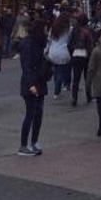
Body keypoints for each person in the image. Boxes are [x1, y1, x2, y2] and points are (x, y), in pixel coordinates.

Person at [17, 18, 48, 156]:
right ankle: (24, 145)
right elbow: (27, 66)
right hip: (32, 83)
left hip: (39, 81)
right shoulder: (30, 44)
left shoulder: (38, 43)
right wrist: (31, 85)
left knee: (38, 113)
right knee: (31, 113)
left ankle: (34, 142)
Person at [68, 14, 94, 105]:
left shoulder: (74, 30)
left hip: (76, 54)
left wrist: (73, 51)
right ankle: (89, 96)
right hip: (86, 55)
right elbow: (91, 43)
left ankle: (74, 98)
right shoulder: (88, 30)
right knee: (87, 77)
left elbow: (69, 43)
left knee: (76, 78)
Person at [46, 13, 72, 98]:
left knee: (56, 71)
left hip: (53, 52)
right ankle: (57, 91)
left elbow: (49, 41)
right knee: (61, 72)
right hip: (62, 52)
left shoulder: (52, 29)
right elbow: (69, 41)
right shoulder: (68, 29)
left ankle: (57, 90)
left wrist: (46, 50)